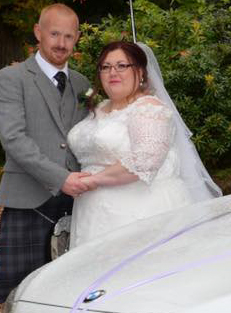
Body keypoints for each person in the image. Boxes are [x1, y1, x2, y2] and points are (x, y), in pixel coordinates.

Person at [66, 40, 221, 246]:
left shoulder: (149, 108)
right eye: (106, 67)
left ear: (140, 72)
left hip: (140, 213)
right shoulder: (99, 108)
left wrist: (91, 181)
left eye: (122, 65)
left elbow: (145, 161)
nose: (113, 72)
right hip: (92, 216)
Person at [0, 3, 92, 303]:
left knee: (74, 293)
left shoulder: (83, 85)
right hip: (28, 202)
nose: (61, 43)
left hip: (78, 203)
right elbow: (14, 140)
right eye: (54, 34)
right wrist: (62, 179)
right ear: (38, 32)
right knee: (21, 297)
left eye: (69, 36)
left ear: (77, 39)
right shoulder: (11, 79)